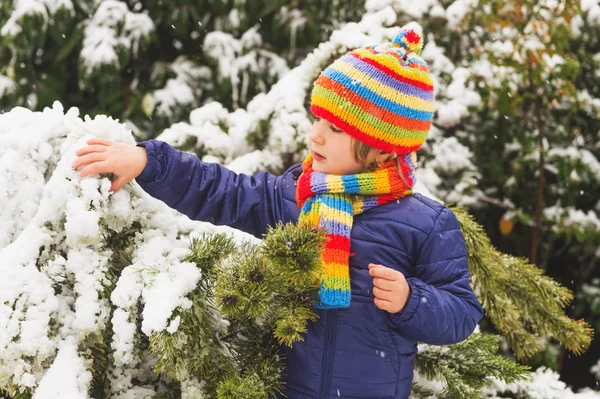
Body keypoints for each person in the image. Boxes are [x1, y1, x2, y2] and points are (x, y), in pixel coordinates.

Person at [73, 28, 483, 399]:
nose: (315, 134)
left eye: (337, 128)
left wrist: (412, 300)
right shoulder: (294, 196)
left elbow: (461, 314)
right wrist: (150, 161)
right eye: (317, 118)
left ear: (383, 148)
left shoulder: (426, 223)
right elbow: (222, 191)